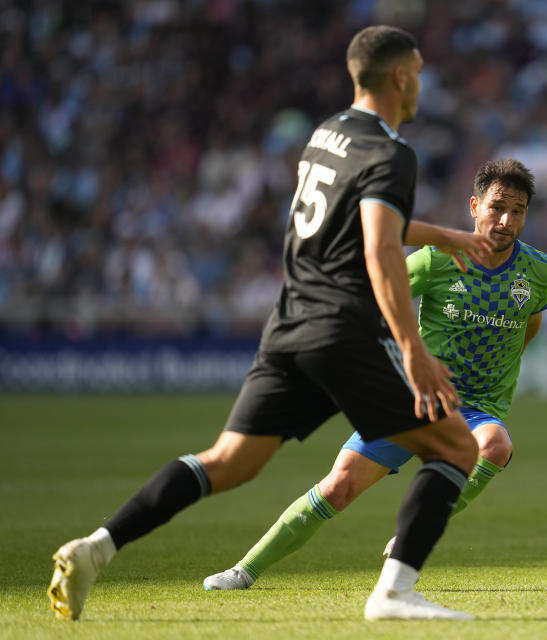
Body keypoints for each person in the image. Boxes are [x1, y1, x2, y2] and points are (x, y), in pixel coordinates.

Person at [47, 25, 498, 622]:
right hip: (344, 328)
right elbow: (379, 250)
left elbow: (357, 222)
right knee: (457, 446)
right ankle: (394, 593)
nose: (421, 83)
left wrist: (441, 234)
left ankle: (96, 548)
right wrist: (411, 349)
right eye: (417, 71)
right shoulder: (392, 153)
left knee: (230, 461)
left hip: (289, 324)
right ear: (400, 77)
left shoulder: (328, 135)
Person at [202, 158, 547, 591]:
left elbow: (529, 322)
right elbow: (376, 300)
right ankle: (244, 571)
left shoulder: (540, 271)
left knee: (495, 445)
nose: (506, 220)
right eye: (497, 207)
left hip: (476, 409)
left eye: (517, 211)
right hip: (414, 400)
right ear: (474, 206)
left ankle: (416, 530)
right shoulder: (435, 260)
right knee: (338, 489)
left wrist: (499, 367)